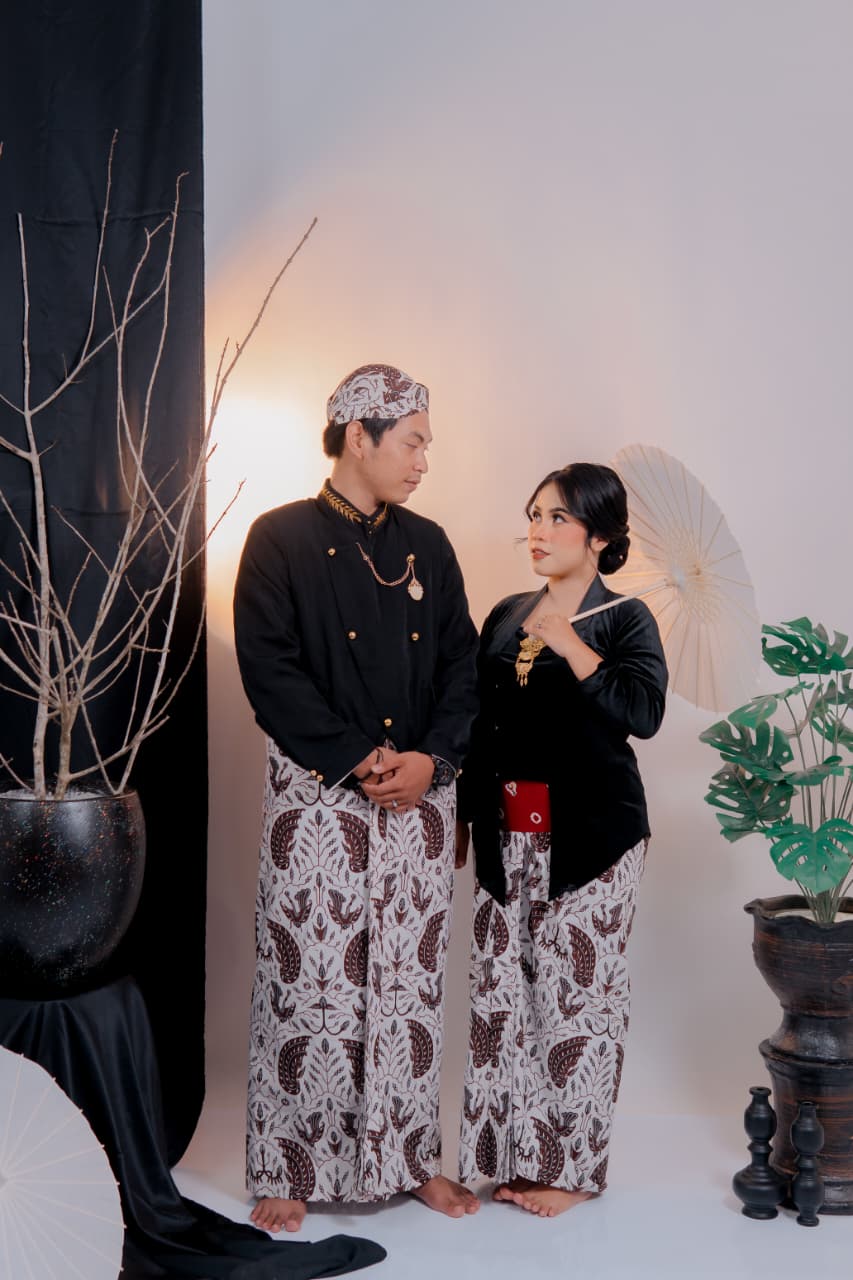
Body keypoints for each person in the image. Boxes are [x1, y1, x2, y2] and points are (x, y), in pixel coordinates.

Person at [233, 364, 480, 1233]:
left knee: (409, 991)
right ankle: (289, 1166)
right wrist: (355, 758)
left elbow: (462, 668)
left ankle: (410, 1161)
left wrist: (431, 762)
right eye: (411, 442)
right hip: (318, 801)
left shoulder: (429, 545)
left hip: (418, 800)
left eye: (425, 444)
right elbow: (268, 669)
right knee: (310, 987)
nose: (422, 461)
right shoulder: (278, 538)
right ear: (357, 436)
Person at [455, 462, 667, 1218]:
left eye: (557, 519)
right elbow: (480, 721)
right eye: (533, 516)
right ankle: (514, 1160)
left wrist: (573, 647)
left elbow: (643, 714)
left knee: (576, 1000)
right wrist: (464, 814)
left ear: (599, 536)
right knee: (502, 995)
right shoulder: (506, 612)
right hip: (507, 825)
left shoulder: (624, 617)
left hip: (593, 834)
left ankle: (572, 1171)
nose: (538, 532)